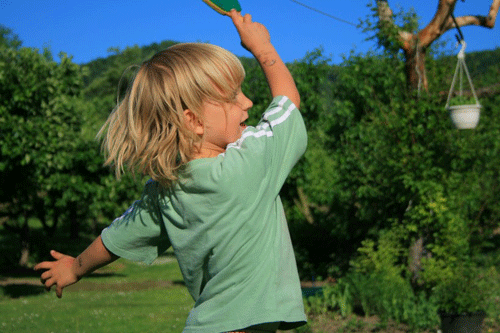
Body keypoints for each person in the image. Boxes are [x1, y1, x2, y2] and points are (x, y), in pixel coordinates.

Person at [34, 10, 307, 333]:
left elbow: (115, 237)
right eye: (232, 96)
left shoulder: (165, 190)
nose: (247, 102)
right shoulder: (249, 163)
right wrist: (263, 48)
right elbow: (287, 102)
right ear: (193, 121)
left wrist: (75, 267)